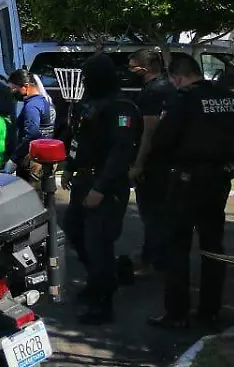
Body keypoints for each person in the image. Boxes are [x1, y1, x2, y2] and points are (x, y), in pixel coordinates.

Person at [148, 54, 234, 330]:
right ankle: (210, 310)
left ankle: (176, 313)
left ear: (177, 77)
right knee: (213, 245)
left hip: (187, 179)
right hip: (220, 178)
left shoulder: (182, 100)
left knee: (177, 246)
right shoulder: (228, 98)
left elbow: (162, 140)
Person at [61, 53, 141, 325]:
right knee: (74, 231)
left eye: (89, 77)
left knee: (99, 243)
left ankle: (103, 302)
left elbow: (120, 151)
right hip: (84, 179)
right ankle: (103, 279)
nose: (85, 82)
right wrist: (70, 167)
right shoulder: (90, 103)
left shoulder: (121, 107)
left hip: (106, 185)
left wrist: (101, 188)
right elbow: (79, 139)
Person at [126, 48, 177, 274]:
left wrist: (138, 164)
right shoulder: (171, 87)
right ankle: (165, 259)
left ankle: (151, 261)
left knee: (152, 215)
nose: (129, 71)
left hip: (154, 163)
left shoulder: (152, 92)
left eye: (132, 67)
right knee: (165, 214)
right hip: (171, 160)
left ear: (144, 69)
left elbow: (149, 131)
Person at [6, 69, 56, 172]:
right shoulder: (43, 101)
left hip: (32, 158)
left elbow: (32, 134)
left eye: (14, 88)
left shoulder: (32, 106)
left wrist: (14, 159)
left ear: (25, 86)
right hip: (45, 154)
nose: (12, 92)